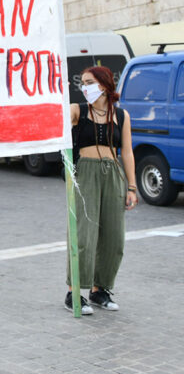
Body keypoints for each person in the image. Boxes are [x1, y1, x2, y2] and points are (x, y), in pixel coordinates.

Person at [66, 66, 137, 314]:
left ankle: (100, 290)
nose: (84, 87)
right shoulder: (77, 110)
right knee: (84, 235)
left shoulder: (122, 115)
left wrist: (132, 186)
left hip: (113, 174)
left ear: (105, 86)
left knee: (114, 237)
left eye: (89, 82)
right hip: (86, 173)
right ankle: (74, 291)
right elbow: (55, 121)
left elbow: (126, 152)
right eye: (82, 82)